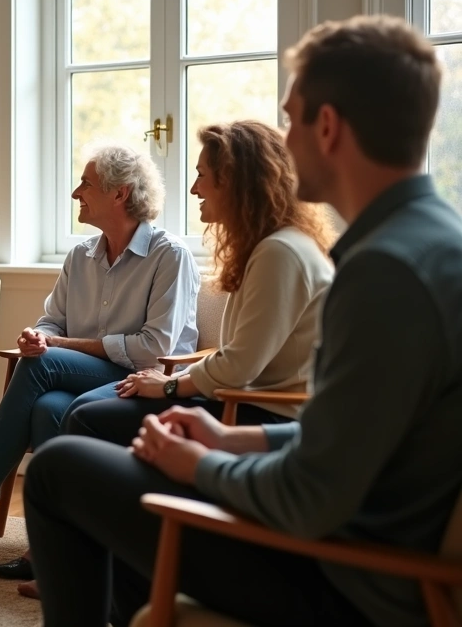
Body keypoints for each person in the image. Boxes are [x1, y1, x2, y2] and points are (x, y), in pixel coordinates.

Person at [24, 15, 462, 627]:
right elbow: (351, 439)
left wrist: (198, 465)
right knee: (115, 471)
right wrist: (231, 439)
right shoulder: (431, 244)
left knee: (57, 470)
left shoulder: (383, 272)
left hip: (344, 578)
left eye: (291, 119)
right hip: (353, 535)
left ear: (328, 126)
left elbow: (309, 496)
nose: (285, 139)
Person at [0, 144, 200, 552]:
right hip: (88, 376)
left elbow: (152, 349)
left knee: (43, 365)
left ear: (120, 193)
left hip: (145, 381)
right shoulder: (80, 256)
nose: (76, 193)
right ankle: (53, 543)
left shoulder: (169, 256)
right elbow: (51, 322)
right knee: (47, 406)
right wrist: (38, 336)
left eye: (86, 184)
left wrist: (55, 344)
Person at [63, 120, 335, 447]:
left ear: (234, 181)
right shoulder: (271, 248)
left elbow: (238, 367)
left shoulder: (279, 253)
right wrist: (174, 379)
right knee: (86, 412)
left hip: (263, 415)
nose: (194, 189)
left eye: (201, 175)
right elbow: (235, 359)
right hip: (241, 400)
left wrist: (168, 385)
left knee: (87, 418)